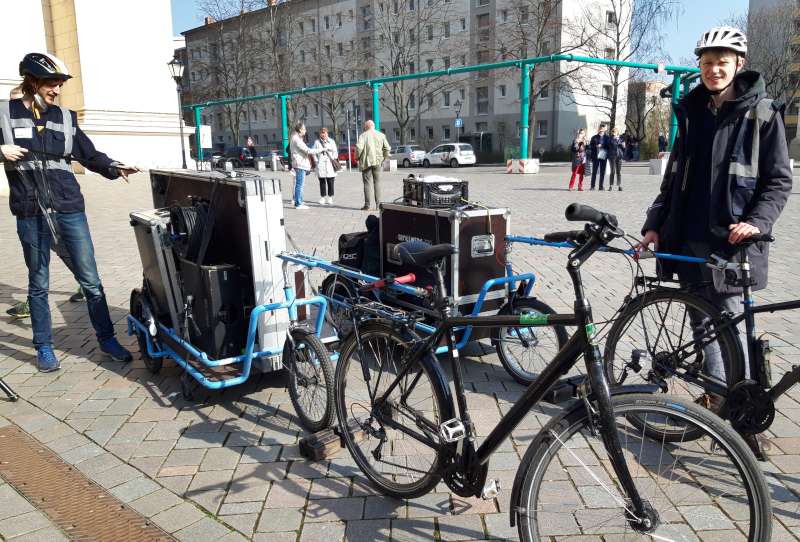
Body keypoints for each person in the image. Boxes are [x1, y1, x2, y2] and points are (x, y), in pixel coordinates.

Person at [639, 26, 792, 459]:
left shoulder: (762, 113)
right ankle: (716, 397)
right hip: (686, 237)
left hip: (730, 242)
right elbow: (673, 178)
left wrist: (756, 223)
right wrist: (654, 224)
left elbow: (778, 181)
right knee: (701, 321)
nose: (713, 69)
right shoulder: (691, 112)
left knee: (732, 325)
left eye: (722, 62)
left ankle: (741, 414)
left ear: (739, 65)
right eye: (707, 63)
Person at [0, 52, 140, 372]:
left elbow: (89, 154)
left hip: (68, 208)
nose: (57, 90)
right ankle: (44, 347)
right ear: (31, 81)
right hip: (30, 212)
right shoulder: (4, 114)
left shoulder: (65, 117)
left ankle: (107, 339)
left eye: (60, 84)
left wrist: (114, 167)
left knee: (91, 280)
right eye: (51, 83)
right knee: (39, 283)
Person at [355, 119, 390, 211]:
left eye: (364, 126)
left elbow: (359, 148)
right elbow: (387, 148)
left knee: (367, 183)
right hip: (378, 162)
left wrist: (357, 157)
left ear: (367, 126)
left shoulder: (363, 135)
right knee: (377, 182)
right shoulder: (381, 135)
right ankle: (378, 205)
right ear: (373, 126)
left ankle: (367, 205)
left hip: (366, 162)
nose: (364, 128)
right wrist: (384, 158)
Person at [289, 121, 320, 209]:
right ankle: (298, 203)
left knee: (300, 184)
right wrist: (321, 150)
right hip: (299, 164)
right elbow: (308, 150)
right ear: (300, 129)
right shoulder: (296, 139)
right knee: (299, 184)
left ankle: (299, 201)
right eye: (304, 129)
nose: (305, 131)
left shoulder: (296, 138)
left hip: (299, 163)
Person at [312, 127, 338, 205]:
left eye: (325, 133)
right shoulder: (317, 142)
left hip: (330, 164)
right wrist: (316, 161)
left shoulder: (332, 141)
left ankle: (330, 197)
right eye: (322, 133)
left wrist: (333, 158)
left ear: (327, 133)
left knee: (330, 181)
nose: (323, 134)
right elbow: (313, 152)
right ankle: (322, 197)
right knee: (322, 181)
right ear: (320, 134)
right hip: (321, 164)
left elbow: (335, 152)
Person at [588, 124, 609, 190]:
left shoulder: (607, 137)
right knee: (594, 171)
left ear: (605, 129)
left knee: (602, 172)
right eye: (600, 128)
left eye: (603, 128)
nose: (601, 129)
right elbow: (590, 146)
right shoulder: (594, 137)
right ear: (599, 128)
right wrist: (596, 146)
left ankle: (601, 186)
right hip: (595, 155)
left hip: (603, 154)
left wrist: (602, 145)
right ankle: (592, 186)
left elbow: (609, 146)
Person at [607, 126, 625, 191]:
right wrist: (614, 139)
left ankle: (619, 185)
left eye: (615, 131)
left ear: (617, 132)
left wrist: (623, 145)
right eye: (613, 131)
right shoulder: (610, 139)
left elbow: (624, 148)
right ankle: (611, 185)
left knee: (618, 171)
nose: (613, 132)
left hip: (619, 156)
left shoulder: (621, 139)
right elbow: (608, 145)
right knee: (612, 171)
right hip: (612, 156)